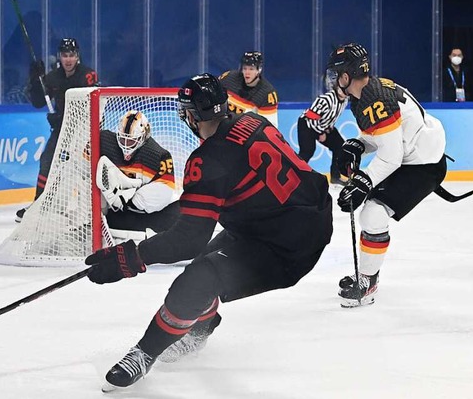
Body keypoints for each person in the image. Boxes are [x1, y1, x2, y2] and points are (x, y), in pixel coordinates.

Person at [84, 73, 332, 391]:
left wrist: (129, 257)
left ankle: (144, 354)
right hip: (308, 216)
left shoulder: (208, 160)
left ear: (192, 115)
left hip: (286, 247)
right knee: (207, 260)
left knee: (198, 278)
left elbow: (188, 238)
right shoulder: (254, 121)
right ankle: (201, 328)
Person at [330, 43, 447, 307]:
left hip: (422, 166)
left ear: (346, 76)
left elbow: (391, 156)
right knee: (370, 213)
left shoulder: (374, 99)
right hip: (415, 157)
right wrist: (360, 143)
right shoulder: (370, 92)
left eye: (337, 74)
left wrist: (363, 181)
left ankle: (368, 282)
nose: (335, 80)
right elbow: (386, 138)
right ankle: (367, 274)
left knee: (372, 214)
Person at [17, 38, 99, 222]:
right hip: (63, 130)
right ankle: (39, 204)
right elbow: (38, 102)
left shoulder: (88, 76)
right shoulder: (53, 77)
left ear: (77, 56)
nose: (68, 59)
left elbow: (93, 104)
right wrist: (35, 80)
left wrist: (64, 117)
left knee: (85, 169)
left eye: (71, 55)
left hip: (86, 129)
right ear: (60, 57)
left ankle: (93, 209)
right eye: (64, 55)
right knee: (47, 160)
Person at [97, 110, 180, 240]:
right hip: (113, 212)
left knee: (180, 214)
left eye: (130, 141)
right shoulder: (104, 141)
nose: (125, 146)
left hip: (142, 213)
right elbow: (82, 170)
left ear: (144, 137)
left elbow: (164, 192)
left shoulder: (158, 155)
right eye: (122, 139)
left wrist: (128, 201)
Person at [296, 74, 349, 186]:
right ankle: (295, 176)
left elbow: (332, 116)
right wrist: (320, 132)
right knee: (308, 151)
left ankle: (335, 176)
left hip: (324, 126)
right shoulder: (325, 99)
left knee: (340, 146)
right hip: (307, 125)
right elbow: (310, 117)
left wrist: (327, 128)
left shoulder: (344, 101)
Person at [218, 51, 279, 126]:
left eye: (251, 69)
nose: (247, 72)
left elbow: (269, 126)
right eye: (245, 68)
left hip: (245, 133)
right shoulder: (228, 78)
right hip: (221, 128)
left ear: (259, 70)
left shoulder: (267, 93)